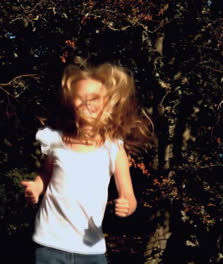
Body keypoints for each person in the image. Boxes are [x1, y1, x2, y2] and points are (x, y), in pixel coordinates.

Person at [21, 62, 152, 264]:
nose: (87, 103)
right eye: (80, 98)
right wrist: (37, 187)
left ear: (107, 102)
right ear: (71, 102)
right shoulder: (55, 141)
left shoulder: (113, 149)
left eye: (94, 98)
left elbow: (129, 196)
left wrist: (128, 206)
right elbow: (46, 174)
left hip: (91, 249)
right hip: (50, 244)